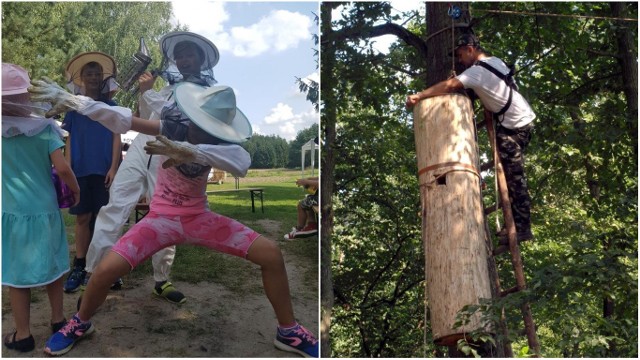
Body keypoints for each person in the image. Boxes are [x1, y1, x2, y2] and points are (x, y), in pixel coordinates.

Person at [30, 73, 319, 358]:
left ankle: (288, 331)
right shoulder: (169, 126)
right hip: (160, 222)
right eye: (202, 125)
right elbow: (122, 119)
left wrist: (193, 152)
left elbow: (240, 161)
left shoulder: (219, 143)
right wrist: (75, 101)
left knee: (271, 255)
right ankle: (80, 322)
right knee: (104, 271)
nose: (206, 132)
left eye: (213, 128)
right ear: (191, 117)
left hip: (200, 219)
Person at [86, 31, 220, 304]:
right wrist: (145, 94)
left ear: (201, 58)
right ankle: (96, 274)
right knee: (114, 207)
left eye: (189, 54)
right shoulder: (167, 87)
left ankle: (161, 280)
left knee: (166, 215)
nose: (183, 59)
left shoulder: (207, 94)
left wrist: (147, 93)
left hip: (169, 157)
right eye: (179, 55)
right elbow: (146, 119)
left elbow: (178, 123)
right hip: (139, 150)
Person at [406, 34, 535, 244]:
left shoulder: (477, 71)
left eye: (460, 55)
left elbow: (450, 86)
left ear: (470, 49)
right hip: (521, 119)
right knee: (513, 175)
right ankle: (517, 224)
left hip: (513, 127)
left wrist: (420, 95)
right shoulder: (495, 62)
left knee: (514, 178)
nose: (459, 60)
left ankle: (522, 228)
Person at [2, 63, 80, 352]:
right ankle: (58, 320)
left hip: (11, 213)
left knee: (16, 276)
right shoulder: (44, 128)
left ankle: (23, 334)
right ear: (26, 97)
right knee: (55, 266)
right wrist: (75, 189)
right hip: (45, 210)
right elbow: (62, 169)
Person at [61, 52, 122, 293]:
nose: (94, 77)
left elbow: (117, 136)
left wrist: (114, 167)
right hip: (80, 170)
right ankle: (80, 266)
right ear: (82, 78)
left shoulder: (111, 107)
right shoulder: (74, 108)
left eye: (98, 73)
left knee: (105, 220)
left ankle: (106, 268)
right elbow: (68, 138)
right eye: (90, 73)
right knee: (83, 218)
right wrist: (68, 169)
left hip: (105, 169)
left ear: (103, 77)